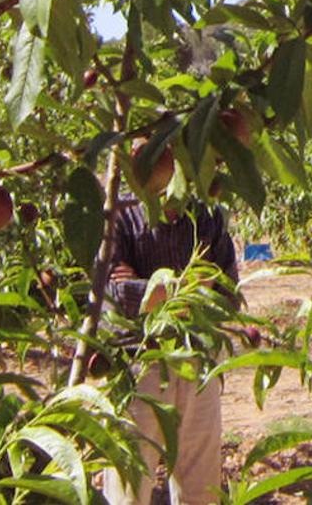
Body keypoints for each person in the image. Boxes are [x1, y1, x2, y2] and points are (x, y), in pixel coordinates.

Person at [101, 198, 237, 505]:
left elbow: (228, 295)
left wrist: (150, 290)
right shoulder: (121, 216)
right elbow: (114, 298)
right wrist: (193, 288)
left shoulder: (207, 216)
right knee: (128, 488)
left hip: (198, 359)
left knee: (202, 488)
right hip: (138, 363)